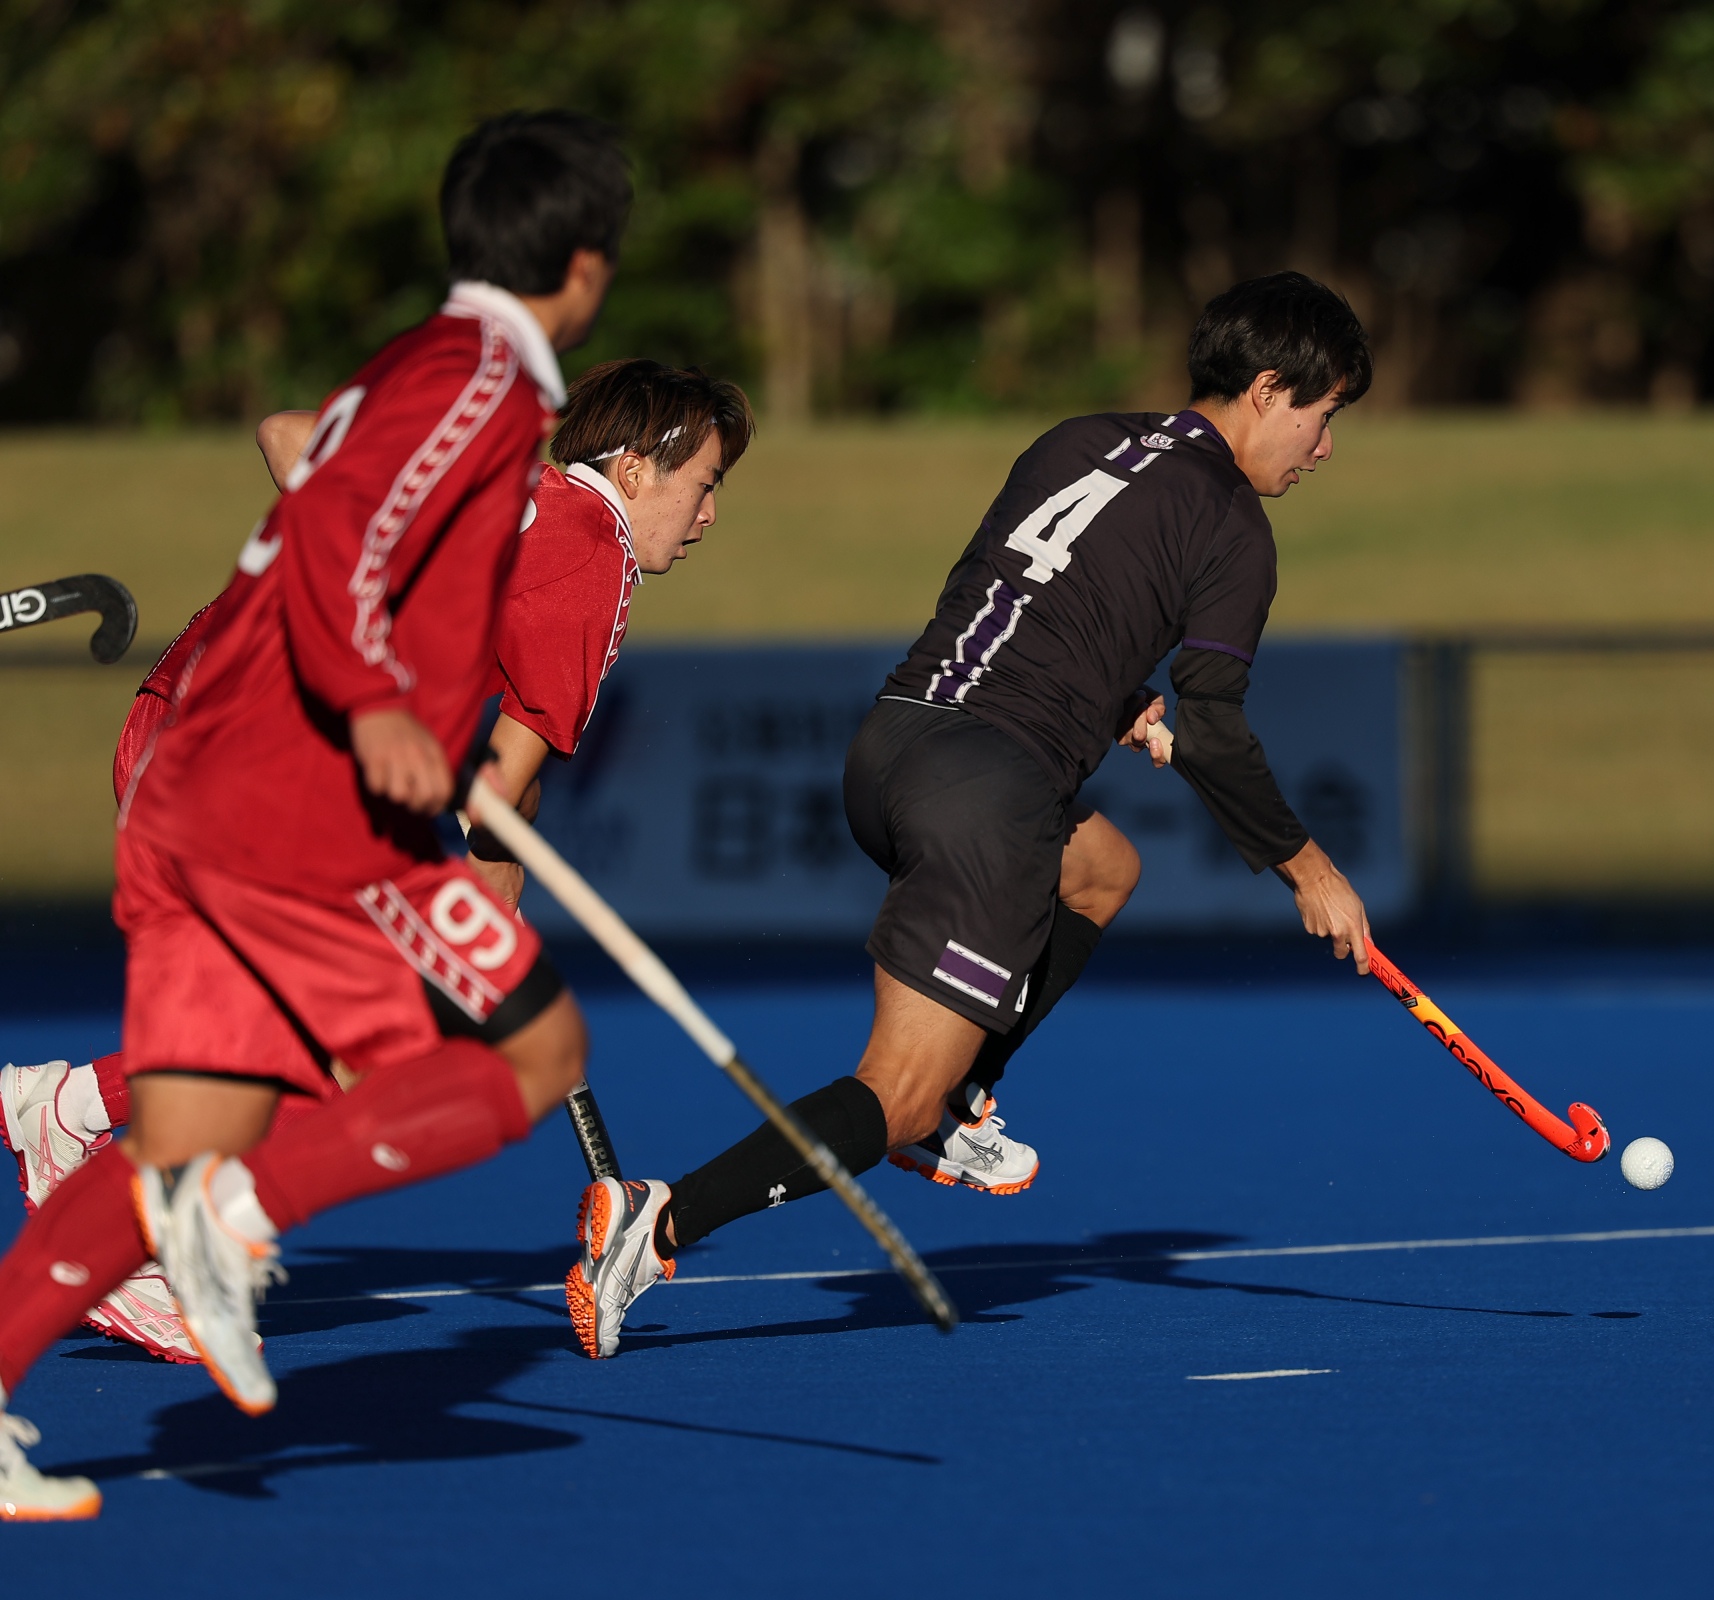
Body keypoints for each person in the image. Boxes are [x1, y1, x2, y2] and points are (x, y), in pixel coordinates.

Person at [0, 109, 630, 1521]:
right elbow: (342, 529)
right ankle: (231, 1216)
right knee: (533, 1049)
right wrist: (376, 705)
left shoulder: (425, 358)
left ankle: (174, 1215)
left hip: (224, 782)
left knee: (192, 1120)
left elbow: (313, 476)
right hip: (293, 801)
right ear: (586, 265)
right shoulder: (483, 381)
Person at [568, 270, 1375, 1360]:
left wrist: (1110, 694)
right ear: (1270, 390)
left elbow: (1007, 591)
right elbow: (1220, 731)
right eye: (1323, 416)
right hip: (989, 798)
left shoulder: (1081, 439)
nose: (1323, 448)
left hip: (894, 742)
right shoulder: (1232, 524)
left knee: (1103, 870)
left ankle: (965, 1096)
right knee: (893, 1094)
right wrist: (1309, 869)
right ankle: (658, 1224)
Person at [0, 357, 751, 1370]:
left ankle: (73, 1116)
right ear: (633, 469)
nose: (707, 516)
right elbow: (502, 791)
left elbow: (283, 433)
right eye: (704, 483)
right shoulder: (594, 561)